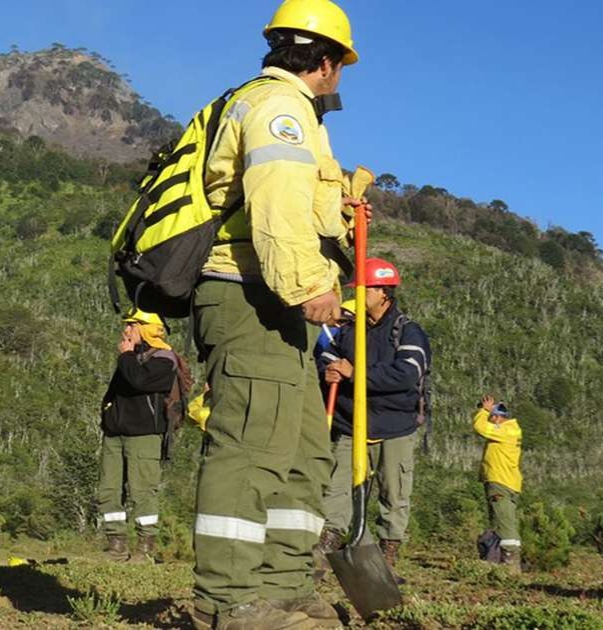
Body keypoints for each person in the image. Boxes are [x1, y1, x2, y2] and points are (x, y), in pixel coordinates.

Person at [190, 1, 365, 626]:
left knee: (303, 449)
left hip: (274, 301)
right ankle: (228, 603)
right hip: (249, 294)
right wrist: (311, 285)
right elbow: (276, 208)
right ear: (325, 61)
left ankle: (284, 585)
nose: (339, 75)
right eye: (340, 64)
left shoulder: (279, 109)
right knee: (250, 446)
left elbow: (300, 206)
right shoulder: (280, 109)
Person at [318, 258, 431, 582]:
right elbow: (329, 354)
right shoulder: (351, 331)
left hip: (394, 426)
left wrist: (355, 374)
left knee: (393, 493)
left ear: (384, 292)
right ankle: (326, 548)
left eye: (365, 289)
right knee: (336, 488)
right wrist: (330, 367)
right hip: (350, 422)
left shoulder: (408, 331)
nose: (360, 294)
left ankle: (386, 554)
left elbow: (407, 374)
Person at [97, 307, 177, 563]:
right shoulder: (129, 357)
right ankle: (116, 545)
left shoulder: (165, 359)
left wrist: (127, 356)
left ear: (145, 328)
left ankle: (145, 548)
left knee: (142, 491)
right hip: (115, 434)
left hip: (144, 436)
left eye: (132, 325)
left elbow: (138, 381)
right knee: (108, 489)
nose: (126, 329)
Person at [473, 395, 523, 573]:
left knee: (505, 522)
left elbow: (480, 427)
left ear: (497, 417)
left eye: (491, 416)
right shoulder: (510, 431)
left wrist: (483, 410)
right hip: (506, 481)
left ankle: (510, 563)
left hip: (500, 481)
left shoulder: (505, 430)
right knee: (502, 521)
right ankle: (497, 558)